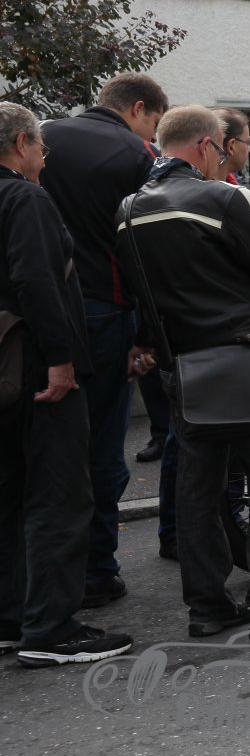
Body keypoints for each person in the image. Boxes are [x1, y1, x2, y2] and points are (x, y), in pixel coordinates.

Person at [116, 106, 250, 640]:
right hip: (244, 359)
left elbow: (143, 292)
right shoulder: (223, 198)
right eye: (223, 148)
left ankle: (208, 608)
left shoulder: (129, 209)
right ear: (207, 146)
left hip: (184, 367)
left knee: (198, 492)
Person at [0, 102, 136, 668]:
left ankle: (12, 616)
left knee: (9, 495)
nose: (44, 156)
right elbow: (37, 280)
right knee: (58, 495)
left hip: (4, 372)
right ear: (22, 143)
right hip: (36, 367)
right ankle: (51, 628)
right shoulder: (25, 199)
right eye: (41, 145)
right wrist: (61, 360)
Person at [38, 72, 167, 610]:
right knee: (102, 447)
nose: (155, 133)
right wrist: (147, 335)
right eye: (155, 122)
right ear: (138, 109)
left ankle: (39, 579)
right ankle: (96, 571)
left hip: (39, 313)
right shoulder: (137, 154)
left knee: (44, 447)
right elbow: (145, 248)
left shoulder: (42, 136)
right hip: (104, 310)